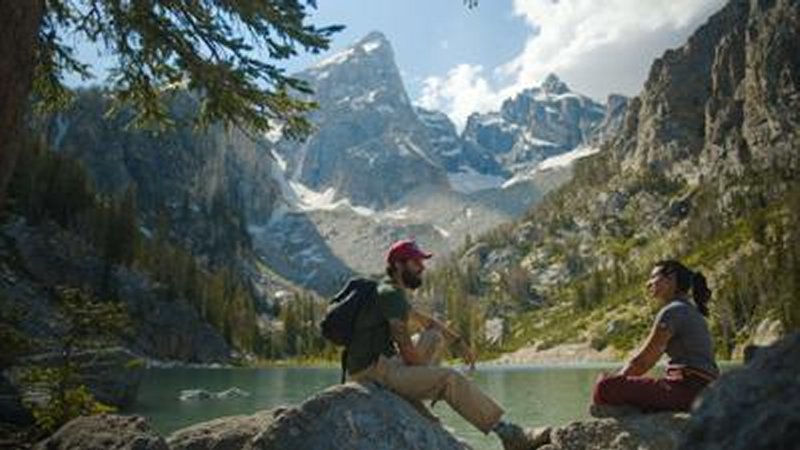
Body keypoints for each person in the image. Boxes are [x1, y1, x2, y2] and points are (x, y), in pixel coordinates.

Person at [347, 239, 534, 450]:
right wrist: (433, 378)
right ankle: (508, 434)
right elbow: (406, 349)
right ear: (398, 265)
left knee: (433, 337)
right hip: (373, 372)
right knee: (449, 379)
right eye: (415, 262)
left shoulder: (388, 290)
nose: (422, 267)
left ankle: (417, 396)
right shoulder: (391, 295)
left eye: (421, 262)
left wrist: (458, 342)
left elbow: (426, 322)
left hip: (382, 364)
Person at [592, 259, 719, 413]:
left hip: (689, 392)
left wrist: (618, 381)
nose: (648, 283)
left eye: (653, 277)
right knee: (612, 383)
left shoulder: (673, 311)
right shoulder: (689, 309)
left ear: (671, 278)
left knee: (605, 386)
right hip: (700, 391)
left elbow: (643, 362)